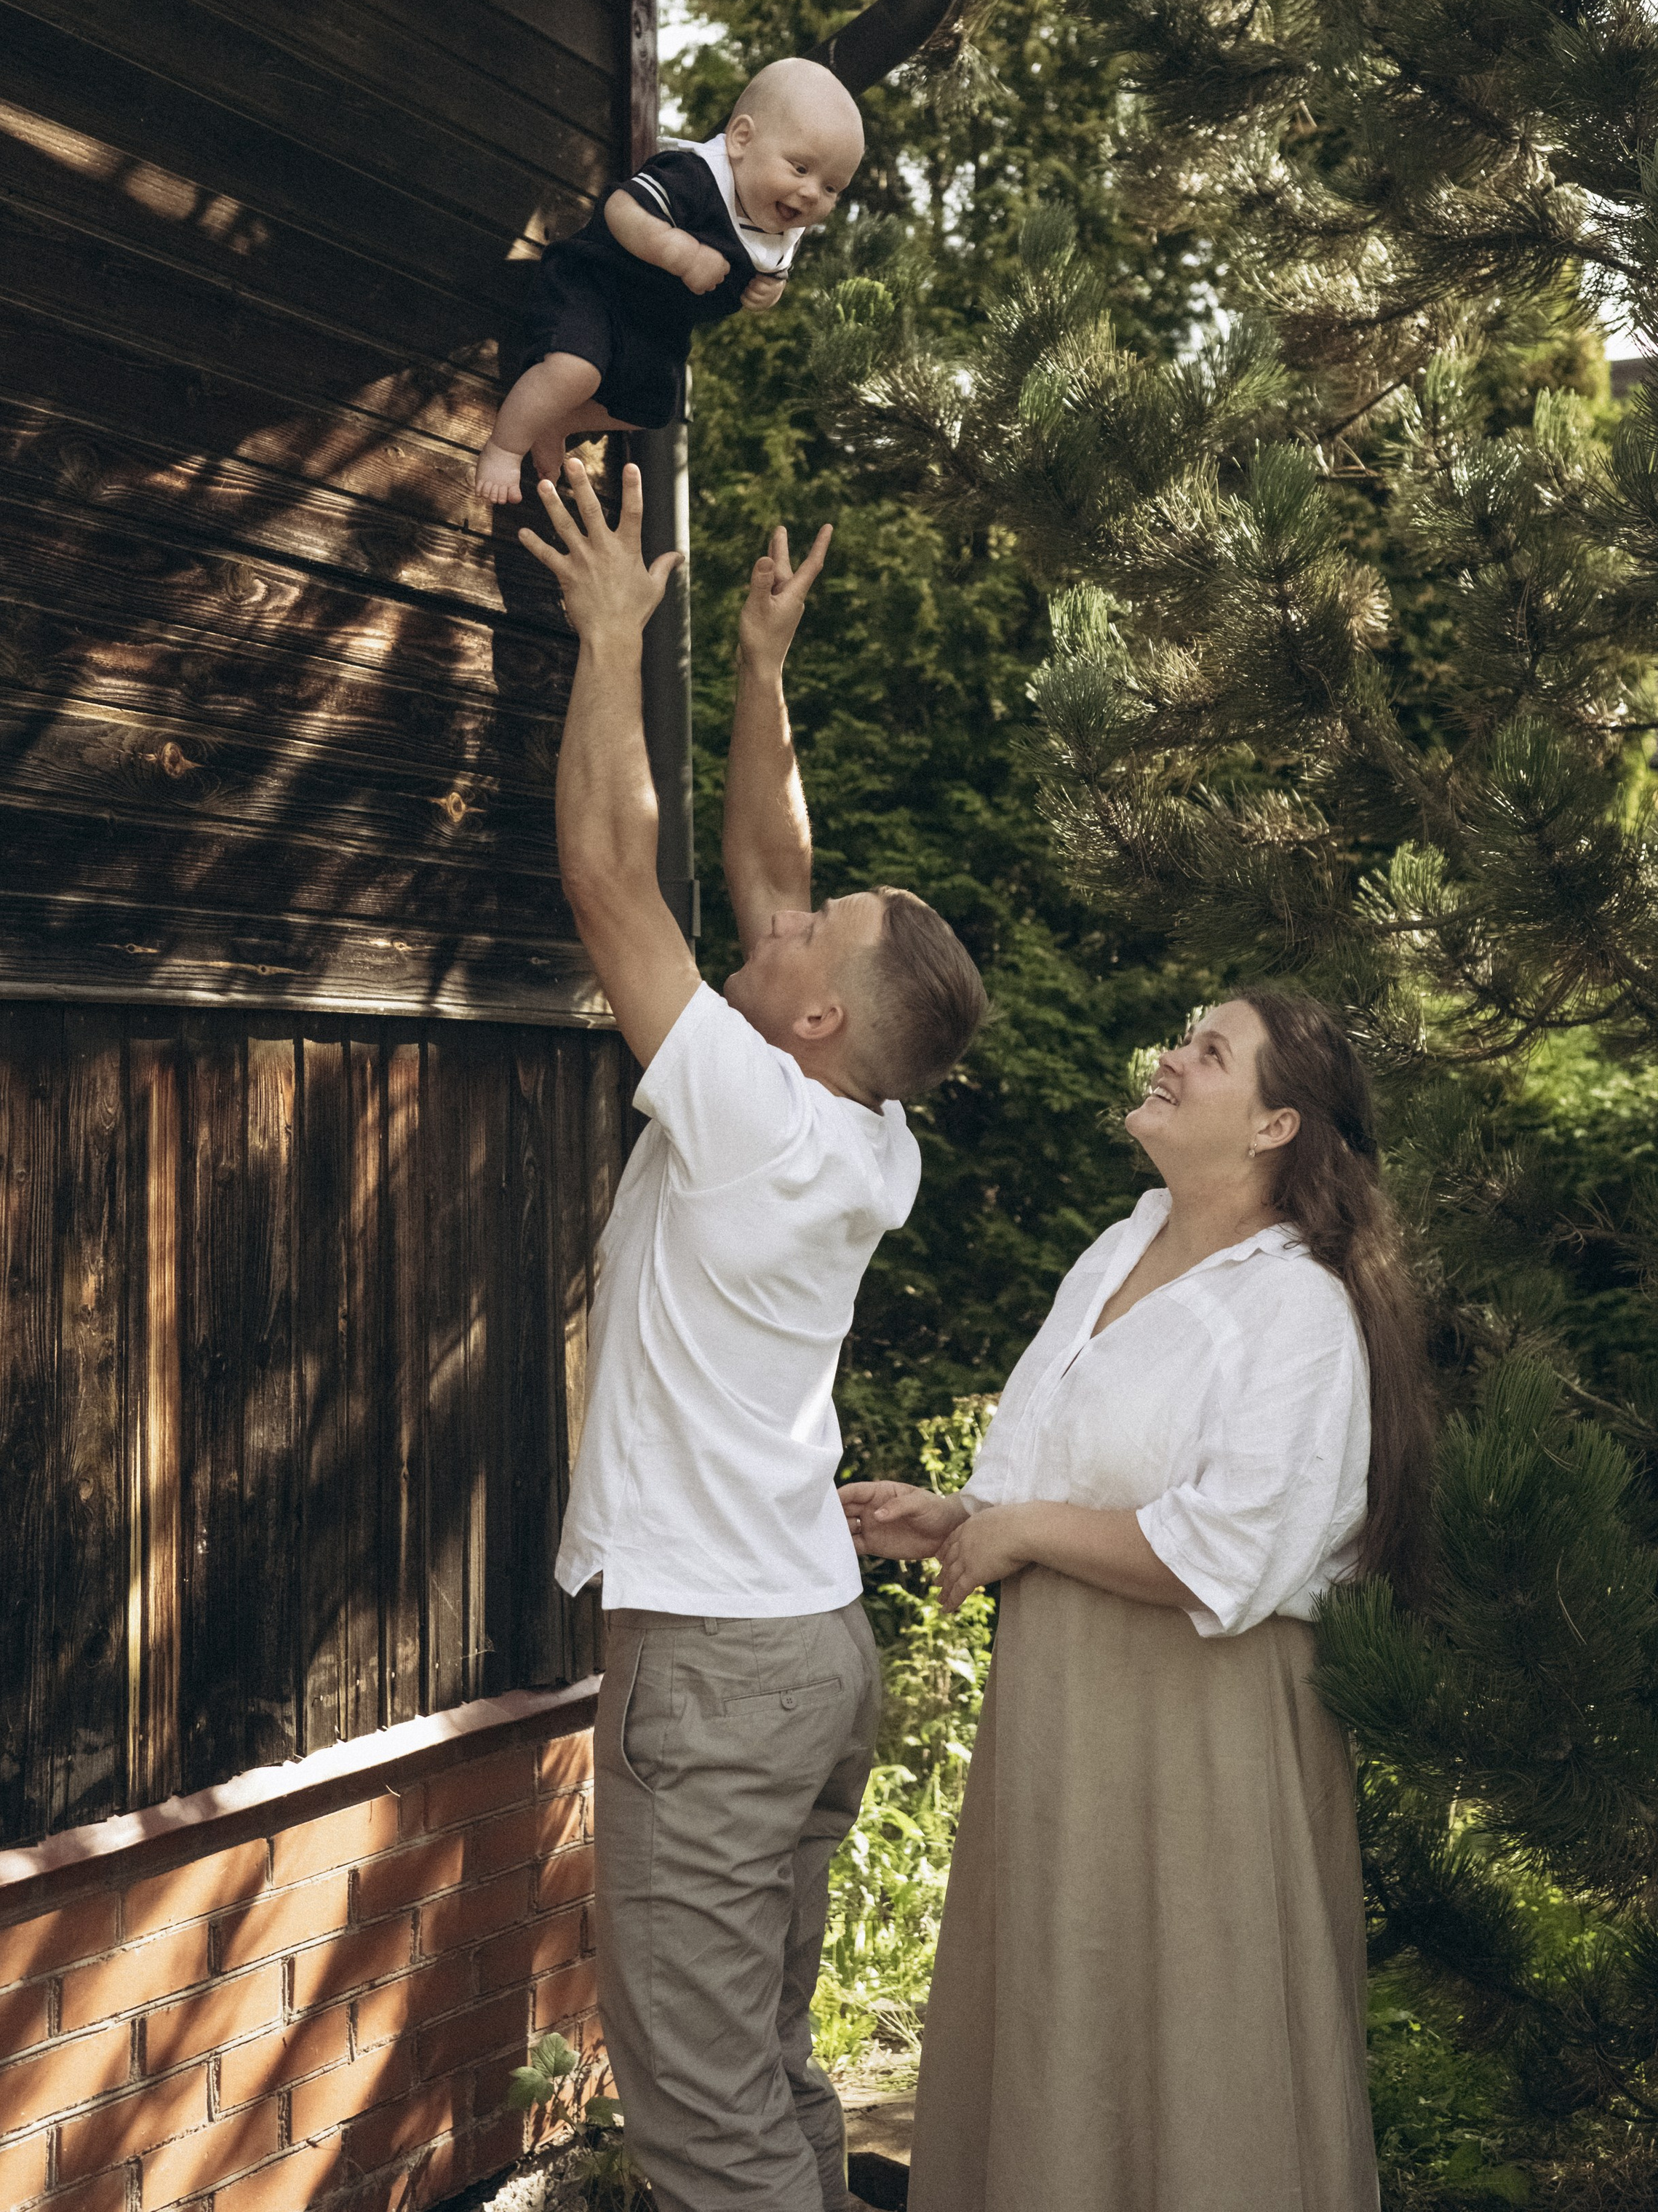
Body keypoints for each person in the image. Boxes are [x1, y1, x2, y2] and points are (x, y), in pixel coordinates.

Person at [519, 456, 987, 2212]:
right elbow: (764, 871)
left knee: (701, 2116)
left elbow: (603, 875)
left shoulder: (754, 1117)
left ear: (806, 1011)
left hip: (715, 1674)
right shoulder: (861, 1132)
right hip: (803, 1652)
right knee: (773, 2073)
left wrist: (613, 635)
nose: (786, 907)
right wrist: (761, 672)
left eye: (812, 933)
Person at [842, 992, 1435, 2212]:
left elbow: (1229, 1549)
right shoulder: (1122, 1245)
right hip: (1062, 1712)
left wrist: (1023, 1528)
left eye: (1207, 1052)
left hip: (1200, 1731)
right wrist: (962, 1519)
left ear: (1277, 1124)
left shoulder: (1302, 1309)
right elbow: (1066, 1481)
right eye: (1181, 1036)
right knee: (1061, 2030)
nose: (1167, 1056)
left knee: (1199, 2049)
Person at [476, 59, 864, 503]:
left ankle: (558, 421)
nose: (813, 192)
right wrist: (677, 250)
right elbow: (621, 208)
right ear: (741, 140)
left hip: (656, 326)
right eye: (800, 168)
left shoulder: (781, 230)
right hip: (598, 286)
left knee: (654, 408)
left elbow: (773, 276)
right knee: (575, 370)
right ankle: (504, 446)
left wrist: (768, 292)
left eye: (832, 188)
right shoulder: (695, 178)